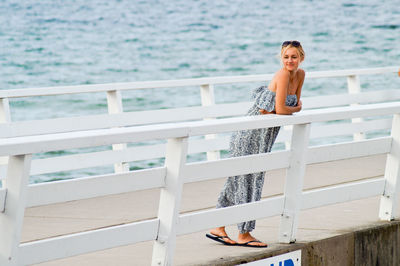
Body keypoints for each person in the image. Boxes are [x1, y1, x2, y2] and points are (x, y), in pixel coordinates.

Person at [206, 41, 305, 247]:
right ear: (281, 58)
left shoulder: (301, 75)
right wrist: (293, 109)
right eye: (286, 57)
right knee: (247, 179)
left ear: (301, 58)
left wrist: (286, 109)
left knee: (244, 179)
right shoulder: (283, 75)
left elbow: (286, 107)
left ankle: (218, 226)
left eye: (294, 57)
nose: (290, 61)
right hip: (251, 131)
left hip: (265, 135)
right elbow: (286, 108)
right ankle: (244, 233)